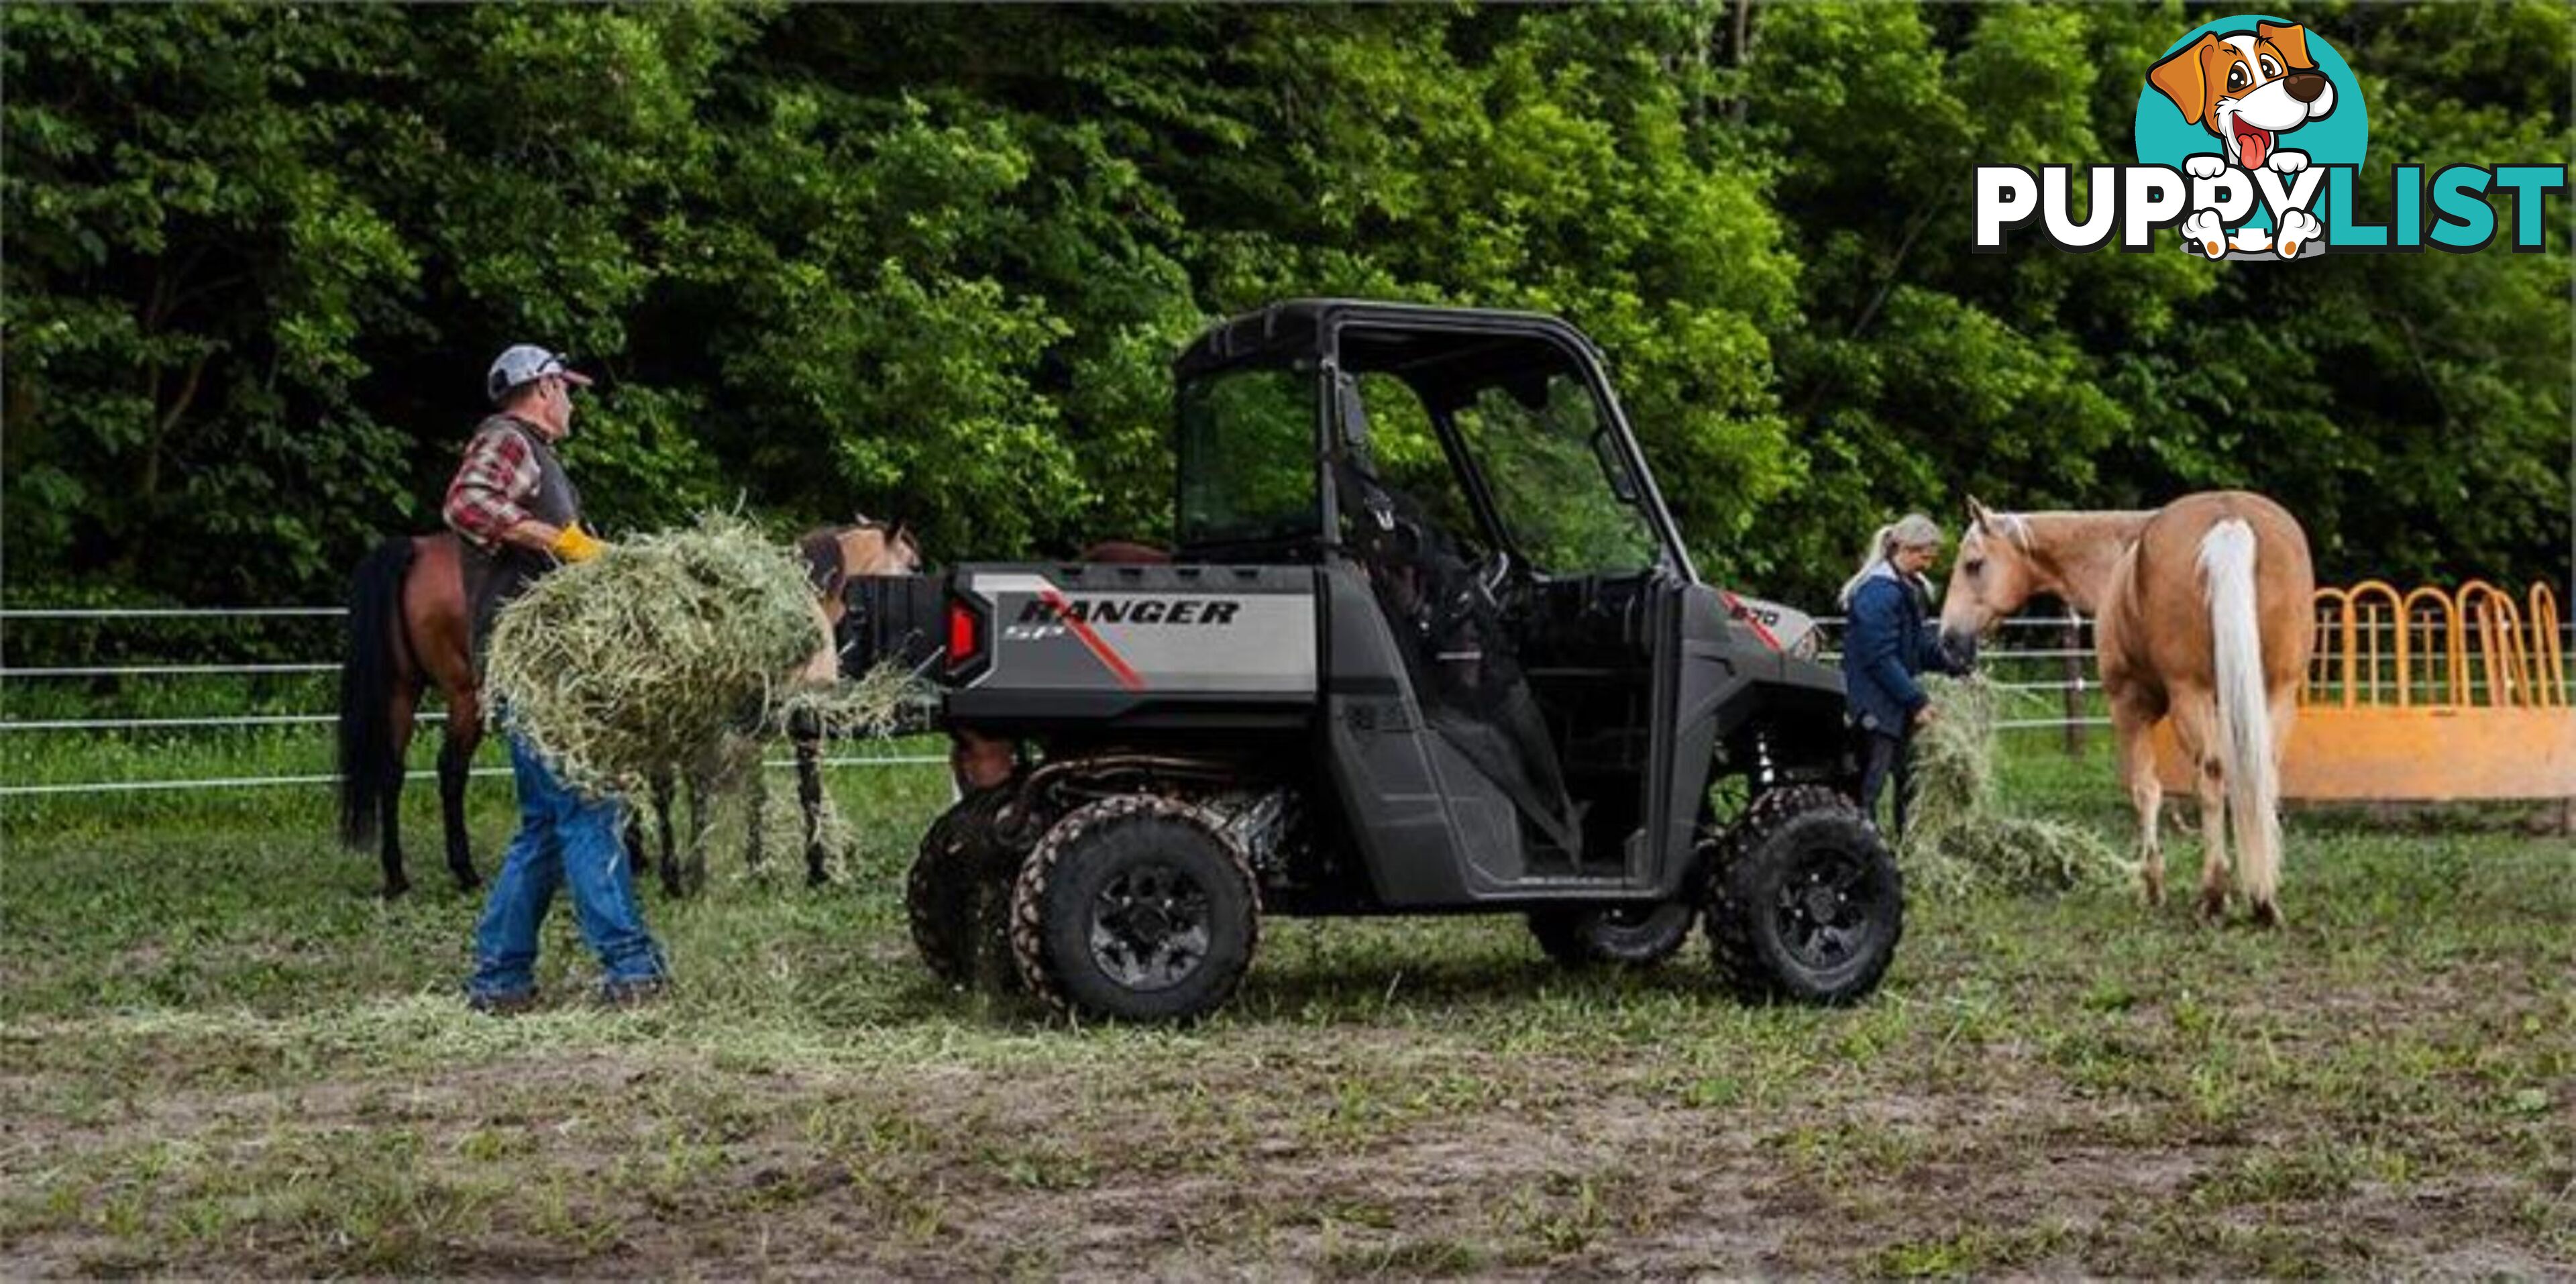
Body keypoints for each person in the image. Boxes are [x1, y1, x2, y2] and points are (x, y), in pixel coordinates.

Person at [445, 344, 667, 1012]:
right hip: (536, 669)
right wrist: (559, 540)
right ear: (542, 389)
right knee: (588, 806)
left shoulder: (537, 454)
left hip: (537, 666)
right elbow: (467, 504)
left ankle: (500, 980)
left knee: (545, 825)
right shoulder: (508, 440)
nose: (571, 402)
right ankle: (631, 970)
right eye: (565, 390)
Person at [1837, 513, 1964, 839]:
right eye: (1926, 554)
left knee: (1908, 780)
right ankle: (1859, 850)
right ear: (1905, 548)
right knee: (1869, 787)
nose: (1930, 562)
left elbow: (1917, 644)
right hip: (1874, 707)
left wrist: (1953, 664)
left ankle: (1907, 850)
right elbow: (1879, 657)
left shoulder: (1908, 589)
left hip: (1894, 703)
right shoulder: (1879, 594)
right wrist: (1916, 700)